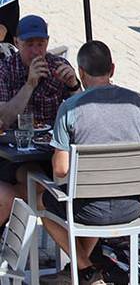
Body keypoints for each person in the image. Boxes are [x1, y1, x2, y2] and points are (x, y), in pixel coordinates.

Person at [40, 41, 140, 285]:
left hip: (90, 211)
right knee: (85, 197)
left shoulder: (70, 108)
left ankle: (85, 267)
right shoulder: (138, 103)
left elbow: (60, 170)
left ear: (81, 73)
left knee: (44, 202)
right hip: (132, 207)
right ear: (112, 69)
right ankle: (84, 269)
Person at [0, 15, 81, 226]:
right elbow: (4, 119)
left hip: (48, 154)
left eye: (41, 44)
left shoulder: (58, 66)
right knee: (33, 182)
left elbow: (82, 114)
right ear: (17, 42)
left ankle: (11, 222)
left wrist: (73, 86)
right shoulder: (5, 69)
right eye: (30, 44)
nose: (36, 51)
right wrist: (29, 86)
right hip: (12, 155)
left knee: (31, 185)